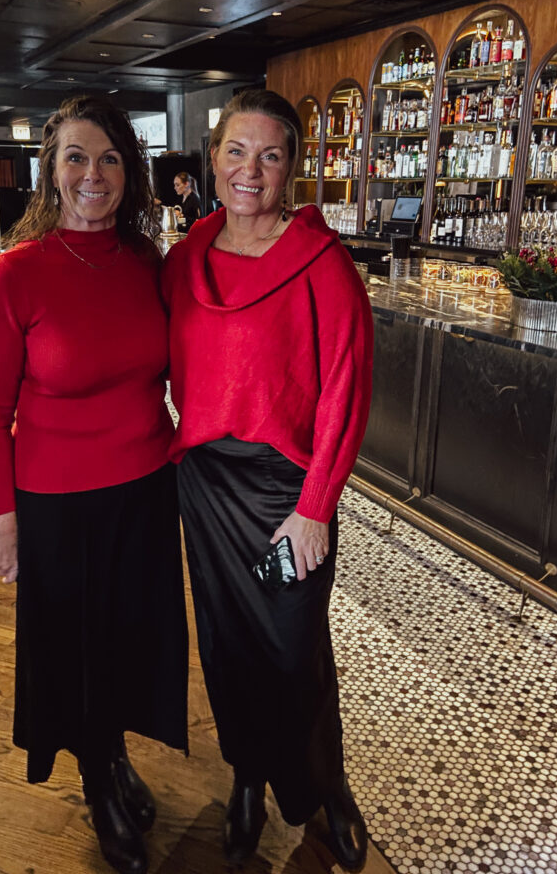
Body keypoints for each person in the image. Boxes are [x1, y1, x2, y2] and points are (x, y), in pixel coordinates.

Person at [0, 96, 188, 874]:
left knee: (130, 641)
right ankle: (98, 778)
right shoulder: (14, 272)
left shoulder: (147, 263)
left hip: (146, 492)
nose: (93, 175)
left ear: (130, 173)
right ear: (50, 172)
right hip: (57, 505)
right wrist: (2, 524)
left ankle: (115, 754)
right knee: (79, 651)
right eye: (75, 157)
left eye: (109, 159)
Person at [162, 89, 374, 870]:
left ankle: (327, 787)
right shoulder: (184, 260)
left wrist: (315, 507)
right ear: (212, 160)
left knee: (294, 651)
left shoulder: (323, 264)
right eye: (237, 151)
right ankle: (247, 775)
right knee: (227, 646)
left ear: (292, 169)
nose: (251, 170)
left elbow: (347, 391)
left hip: (287, 493)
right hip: (207, 487)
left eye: (271, 155)